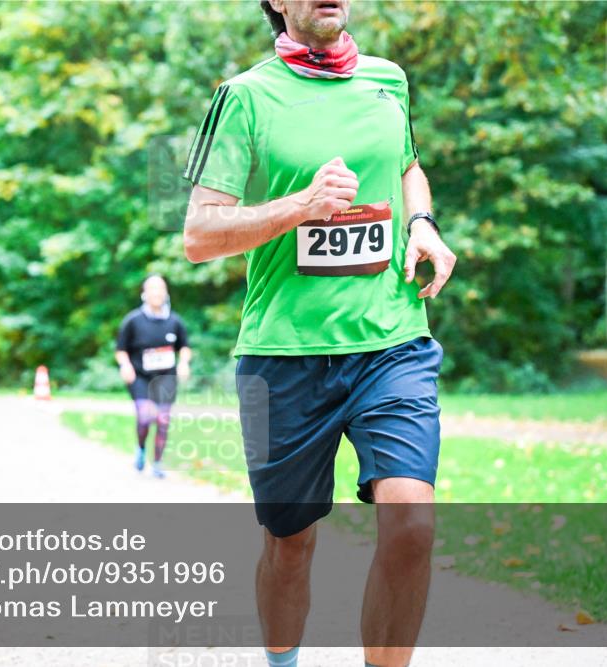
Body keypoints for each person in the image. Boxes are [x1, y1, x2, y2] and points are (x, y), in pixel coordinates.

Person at [182, 2, 457, 666]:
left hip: (391, 341)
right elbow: (199, 235)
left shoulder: (389, 80)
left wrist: (421, 222)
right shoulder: (244, 97)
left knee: (411, 527)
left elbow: (407, 164)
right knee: (289, 543)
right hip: (284, 354)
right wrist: (302, 206)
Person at [115, 275, 192, 479]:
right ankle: (140, 448)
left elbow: (184, 347)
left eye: (161, 288)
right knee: (145, 417)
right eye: (152, 288)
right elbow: (121, 349)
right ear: (144, 294)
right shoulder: (133, 321)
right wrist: (125, 365)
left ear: (166, 293)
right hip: (140, 377)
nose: (157, 292)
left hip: (166, 378)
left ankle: (157, 462)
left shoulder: (174, 321)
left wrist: (184, 363)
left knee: (163, 419)